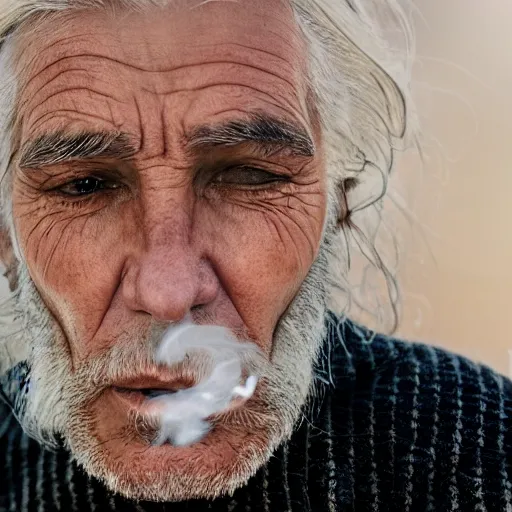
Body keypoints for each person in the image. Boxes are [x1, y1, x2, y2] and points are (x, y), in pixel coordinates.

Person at [0, 1, 510, 511]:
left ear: (339, 204)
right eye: (84, 186)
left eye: (249, 177)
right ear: (7, 234)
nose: (169, 293)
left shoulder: (489, 455)